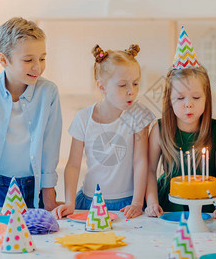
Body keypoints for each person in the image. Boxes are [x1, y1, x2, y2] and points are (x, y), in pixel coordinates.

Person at [0, 17, 62, 214]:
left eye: (42, 58)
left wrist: (49, 198)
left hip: (35, 187)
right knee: (4, 239)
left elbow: (50, 146)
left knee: (40, 238)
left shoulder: (49, 92)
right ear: (3, 60)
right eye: (28, 60)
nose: (38, 67)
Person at [52, 44, 154, 220]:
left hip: (128, 204)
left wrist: (138, 202)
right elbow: (74, 165)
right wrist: (69, 202)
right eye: (123, 85)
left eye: (136, 83)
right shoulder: (83, 118)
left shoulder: (138, 115)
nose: (132, 91)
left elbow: (140, 161)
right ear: (102, 86)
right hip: (90, 201)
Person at [145, 27, 216, 217]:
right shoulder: (159, 130)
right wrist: (152, 202)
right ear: (169, 100)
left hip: (208, 207)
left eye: (196, 97)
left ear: (207, 98)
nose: (188, 105)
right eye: (180, 98)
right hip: (168, 206)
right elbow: (149, 170)